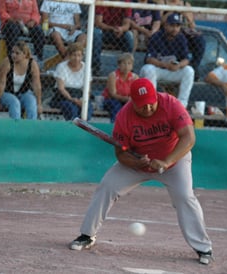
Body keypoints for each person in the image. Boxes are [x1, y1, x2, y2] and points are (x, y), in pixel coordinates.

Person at [69, 78, 213, 265]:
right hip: (138, 164)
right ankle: (87, 235)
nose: (147, 109)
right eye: (142, 106)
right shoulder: (124, 117)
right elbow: (121, 154)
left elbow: (189, 138)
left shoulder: (170, 104)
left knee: (185, 196)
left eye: (151, 104)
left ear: (156, 97)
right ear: (132, 102)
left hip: (174, 159)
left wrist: (166, 161)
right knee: (107, 186)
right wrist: (136, 163)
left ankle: (203, 248)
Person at [140, 13, 194, 108]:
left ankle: (181, 106)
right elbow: (149, 59)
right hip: (159, 71)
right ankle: (152, 103)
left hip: (173, 71)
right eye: (172, 25)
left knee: (189, 71)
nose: (175, 29)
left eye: (177, 26)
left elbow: (186, 59)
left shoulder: (181, 38)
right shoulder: (157, 36)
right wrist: (165, 65)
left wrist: (179, 65)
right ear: (165, 25)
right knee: (148, 69)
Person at [0, 41, 42, 120]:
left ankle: (31, 128)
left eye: (17, 53)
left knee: (32, 102)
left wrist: (39, 104)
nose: (13, 55)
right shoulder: (7, 62)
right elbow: (0, 84)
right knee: (15, 102)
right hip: (7, 93)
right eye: (12, 52)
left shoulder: (32, 64)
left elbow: (37, 85)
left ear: (24, 54)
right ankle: (16, 128)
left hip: (24, 92)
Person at [162, 0, 206, 81]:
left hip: (184, 33)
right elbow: (160, 21)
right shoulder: (162, 2)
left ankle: (194, 66)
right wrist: (173, 10)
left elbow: (192, 25)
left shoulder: (186, 4)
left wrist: (185, 14)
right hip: (168, 33)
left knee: (200, 39)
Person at [49, 42, 93, 121]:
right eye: (74, 55)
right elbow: (61, 88)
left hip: (80, 95)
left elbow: (88, 89)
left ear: (82, 56)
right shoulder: (61, 66)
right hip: (65, 96)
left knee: (87, 108)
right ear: (69, 56)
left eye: (79, 55)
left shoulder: (86, 67)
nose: (76, 58)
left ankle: (84, 129)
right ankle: (73, 129)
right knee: (72, 109)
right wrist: (72, 99)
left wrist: (83, 100)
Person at [92, 0, 134, 76]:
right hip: (104, 31)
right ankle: (96, 67)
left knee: (129, 35)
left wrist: (121, 29)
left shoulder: (126, 1)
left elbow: (127, 25)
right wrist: (112, 28)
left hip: (119, 32)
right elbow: (98, 23)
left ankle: (127, 68)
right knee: (96, 32)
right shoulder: (101, 1)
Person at [102, 52, 138, 123]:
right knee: (116, 105)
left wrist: (130, 99)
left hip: (128, 100)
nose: (126, 66)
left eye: (129, 63)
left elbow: (135, 94)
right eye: (124, 63)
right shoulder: (113, 75)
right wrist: (126, 99)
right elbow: (113, 94)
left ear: (132, 66)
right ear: (119, 65)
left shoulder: (135, 77)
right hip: (112, 100)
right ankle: (115, 125)